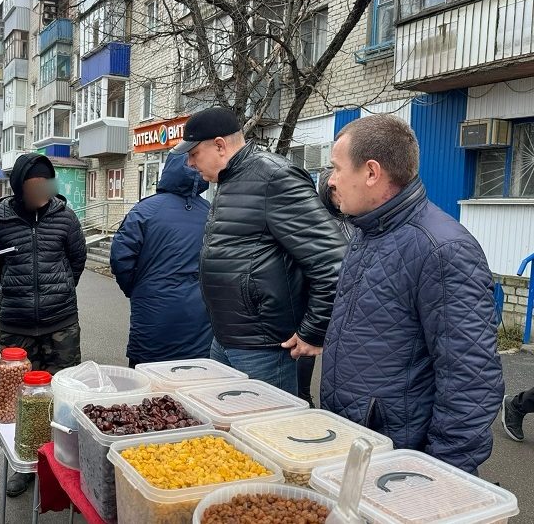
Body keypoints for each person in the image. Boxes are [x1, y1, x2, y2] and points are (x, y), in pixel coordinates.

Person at [321, 114, 504, 475]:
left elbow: (472, 378)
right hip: (361, 440)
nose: (331, 181)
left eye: (336, 168)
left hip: (403, 458)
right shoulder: (370, 229)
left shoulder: (441, 248)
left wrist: (441, 474)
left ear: (371, 173)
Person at [177, 107, 346, 394]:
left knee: (265, 433)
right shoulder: (230, 180)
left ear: (219, 145)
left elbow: (333, 261)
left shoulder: (273, 177)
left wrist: (314, 330)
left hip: (265, 349)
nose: (190, 163)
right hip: (227, 338)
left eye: (194, 154)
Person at [0, 153, 86, 496]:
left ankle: (59, 465)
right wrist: (13, 290)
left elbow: (77, 260)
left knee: (62, 397)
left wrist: (60, 291)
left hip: (61, 324)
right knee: (21, 400)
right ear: (18, 187)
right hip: (17, 327)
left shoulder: (65, 217)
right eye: (34, 186)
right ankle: (24, 462)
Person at [110, 152, 213, 367]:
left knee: (148, 388)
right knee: (194, 383)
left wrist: (137, 288)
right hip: (200, 317)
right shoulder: (213, 213)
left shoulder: (144, 210)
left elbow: (121, 258)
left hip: (152, 314)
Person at [297, 168, 356, 406]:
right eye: (331, 189)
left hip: (348, 304)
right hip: (317, 300)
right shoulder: (316, 224)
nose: (338, 193)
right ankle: (302, 394)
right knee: (308, 349)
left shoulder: (357, 222)